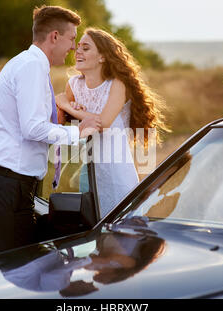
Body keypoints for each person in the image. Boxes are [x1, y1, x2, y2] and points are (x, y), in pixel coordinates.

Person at [0, 6, 101, 256]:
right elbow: (32, 128)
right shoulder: (31, 67)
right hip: (6, 184)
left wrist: (62, 117)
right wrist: (79, 133)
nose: (74, 47)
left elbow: (30, 121)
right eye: (72, 38)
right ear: (54, 36)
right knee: (14, 268)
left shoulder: (32, 65)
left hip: (9, 184)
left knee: (20, 265)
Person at [55, 28, 169, 217]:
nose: (78, 51)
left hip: (117, 173)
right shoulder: (73, 85)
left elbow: (103, 123)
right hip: (88, 171)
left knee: (120, 233)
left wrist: (66, 104)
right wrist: (68, 109)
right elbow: (65, 124)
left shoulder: (116, 84)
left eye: (86, 48)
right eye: (78, 47)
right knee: (91, 232)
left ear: (102, 57)